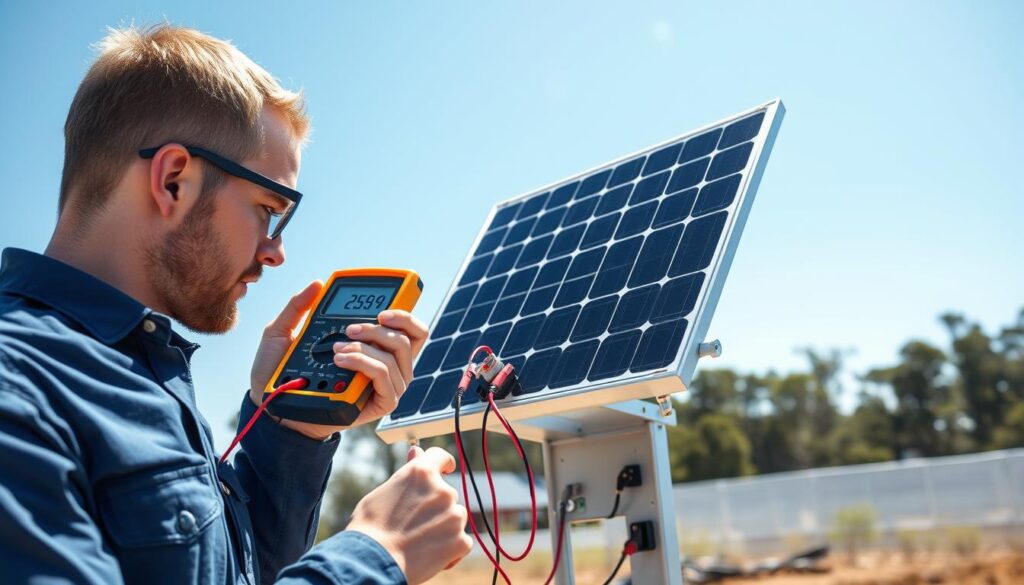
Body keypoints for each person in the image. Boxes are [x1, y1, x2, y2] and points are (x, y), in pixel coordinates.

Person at [0, 24, 472, 585]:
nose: (276, 253)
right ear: (174, 180)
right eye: (268, 210)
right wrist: (376, 555)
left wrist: (290, 430)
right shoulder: (18, 393)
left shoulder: (138, 370)